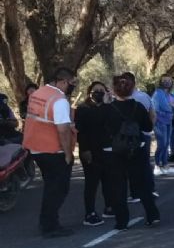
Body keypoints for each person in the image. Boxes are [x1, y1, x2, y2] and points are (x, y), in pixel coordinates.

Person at [22, 67, 77, 238]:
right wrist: (68, 153)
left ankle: (47, 221)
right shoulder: (59, 100)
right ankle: (50, 225)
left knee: (50, 187)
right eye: (71, 83)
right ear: (62, 81)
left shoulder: (38, 93)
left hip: (36, 148)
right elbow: (63, 130)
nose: (71, 87)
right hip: (53, 150)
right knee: (59, 188)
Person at [102, 75, 160, 230]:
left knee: (118, 187)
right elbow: (148, 127)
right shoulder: (138, 107)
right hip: (137, 149)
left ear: (114, 90)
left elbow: (103, 128)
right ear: (132, 88)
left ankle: (122, 221)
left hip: (114, 152)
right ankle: (152, 214)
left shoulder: (108, 109)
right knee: (142, 185)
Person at [74, 82, 113, 225]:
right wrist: (84, 150)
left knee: (107, 180)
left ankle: (109, 207)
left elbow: (111, 123)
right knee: (92, 183)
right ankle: (89, 213)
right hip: (90, 150)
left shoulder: (107, 107)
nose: (98, 93)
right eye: (95, 91)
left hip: (106, 149)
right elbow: (81, 132)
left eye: (101, 91)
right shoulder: (83, 109)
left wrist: (109, 103)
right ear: (89, 92)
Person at [121, 72, 158, 200]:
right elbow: (153, 115)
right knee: (144, 164)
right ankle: (149, 189)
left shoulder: (127, 99)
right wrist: (149, 130)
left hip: (131, 137)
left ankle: (136, 192)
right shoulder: (145, 96)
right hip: (144, 135)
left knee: (132, 165)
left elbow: (152, 115)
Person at [152, 75, 174, 176]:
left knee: (166, 143)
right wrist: (170, 107)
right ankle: (157, 165)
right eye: (164, 80)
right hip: (159, 121)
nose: (167, 82)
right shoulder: (158, 93)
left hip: (169, 121)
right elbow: (157, 108)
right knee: (161, 143)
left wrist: (171, 107)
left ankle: (165, 165)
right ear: (161, 82)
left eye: (169, 80)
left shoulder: (171, 94)